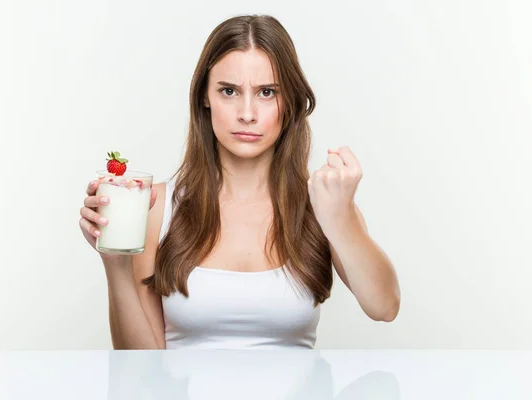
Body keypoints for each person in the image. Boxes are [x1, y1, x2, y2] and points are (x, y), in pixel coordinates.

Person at [79, 14, 400, 350]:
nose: (247, 113)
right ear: (205, 96)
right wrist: (115, 262)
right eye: (229, 91)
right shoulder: (155, 207)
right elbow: (141, 369)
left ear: (289, 102)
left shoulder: (325, 205)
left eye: (266, 92)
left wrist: (340, 216)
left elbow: (384, 306)